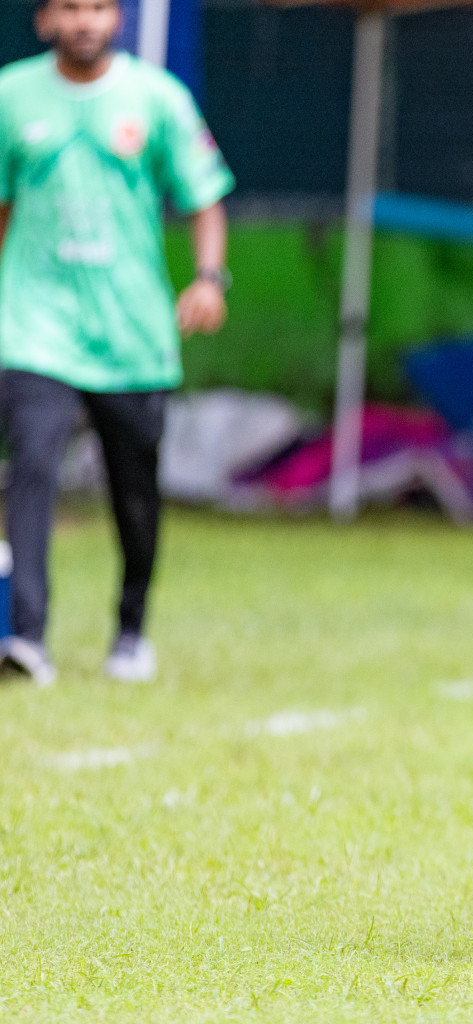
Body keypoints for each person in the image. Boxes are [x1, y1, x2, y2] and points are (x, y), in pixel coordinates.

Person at [0, 0, 233, 685]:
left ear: (117, 19)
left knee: (134, 491)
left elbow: (203, 197)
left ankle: (131, 630)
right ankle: (26, 637)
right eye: (70, 8)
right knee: (33, 468)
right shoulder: (11, 96)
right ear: (44, 20)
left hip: (131, 329)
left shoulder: (157, 98)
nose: (84, 21)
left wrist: (210, 278)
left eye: (98, 6)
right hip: (35, 323)